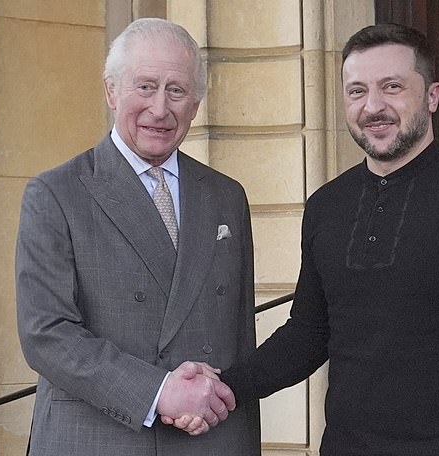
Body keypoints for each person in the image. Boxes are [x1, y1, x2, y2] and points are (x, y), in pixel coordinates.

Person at [179, 22, 439, 455]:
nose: (373, 106)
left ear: (432, 96)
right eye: (356, 91)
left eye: (391, 86)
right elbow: (309, 334)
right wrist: (225, 388)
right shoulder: (325, 206)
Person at [15, 18, 260, 455]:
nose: (160, 109)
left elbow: (239, 339)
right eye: (145, 87)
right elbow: (45, 333)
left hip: (210, 441)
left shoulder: (227, 196)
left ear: (196, 104)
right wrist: (159, 391)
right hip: (99, 441)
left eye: (177, 91)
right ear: (111, 91)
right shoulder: (56, 193)